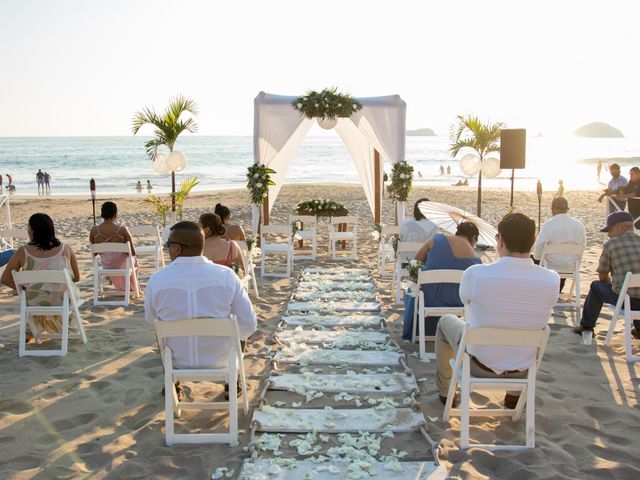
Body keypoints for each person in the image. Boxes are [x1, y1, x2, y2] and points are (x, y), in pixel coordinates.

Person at [435, 213, 559, 407]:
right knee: (522, 325)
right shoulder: (552, 279)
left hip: (479, 364)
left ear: (500, 240)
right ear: (533, 242)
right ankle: (514, 395)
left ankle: (446, 393)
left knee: (445, 322)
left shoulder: (476, 274)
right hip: (523, 368)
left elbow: (464, 300)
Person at [144, 221, 257, 375]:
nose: (167, 250)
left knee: (161, 331)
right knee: (239, 331)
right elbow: (249, 323)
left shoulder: (157, 280)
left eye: (168, 245)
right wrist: (232, 339)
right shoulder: (226, 276)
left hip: (177, 362)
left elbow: (151, 319)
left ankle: (174, 385)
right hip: (222, 360)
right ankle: (232, 382)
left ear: (177, 249)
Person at [1, 213, 81, 337]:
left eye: (28, 227)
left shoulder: (22, 252)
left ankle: (32, 330)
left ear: (32, 231)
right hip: (61, 301)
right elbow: (76, 277)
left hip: (34, 302)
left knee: (35, 296)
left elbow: (5, 279)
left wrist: (24, 290)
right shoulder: (66, 249)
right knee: (70, 292)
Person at [402, 222, 482, 341]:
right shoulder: (476, 260)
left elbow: (416, 262)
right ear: (474, 237)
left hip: (428, 300)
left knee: (411, 291)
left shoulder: (438, 239)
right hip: (457, 302)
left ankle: (418, 330)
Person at [574, 212, 640, 337]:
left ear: (621, 227)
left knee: (596, 286)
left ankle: (586, 326)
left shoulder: (611, 244)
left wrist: (612, 284)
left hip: (628, 301)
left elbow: (603, 276)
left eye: (610, 230)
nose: (609, 234)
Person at [532, 197, 586, 291]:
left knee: (533, 259)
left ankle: (540, 290)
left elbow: (538, 250)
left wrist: (538, 258)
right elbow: (583, 245)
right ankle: (557, 290)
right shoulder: (578, 225)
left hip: (551, 265)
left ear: (552, 210)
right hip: (571, 266)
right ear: (567, 209)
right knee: (563, 259)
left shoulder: (548, 225)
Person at [89, 201, 139, 292]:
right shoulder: (122, 230)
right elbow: (132, 252)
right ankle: (131, 286)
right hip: (122, 266)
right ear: (115, 213)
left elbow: (94, 253)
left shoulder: (94, 230)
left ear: (102, 213)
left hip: (107, 266)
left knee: (112, 258)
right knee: (134, 260)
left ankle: (113, 278)